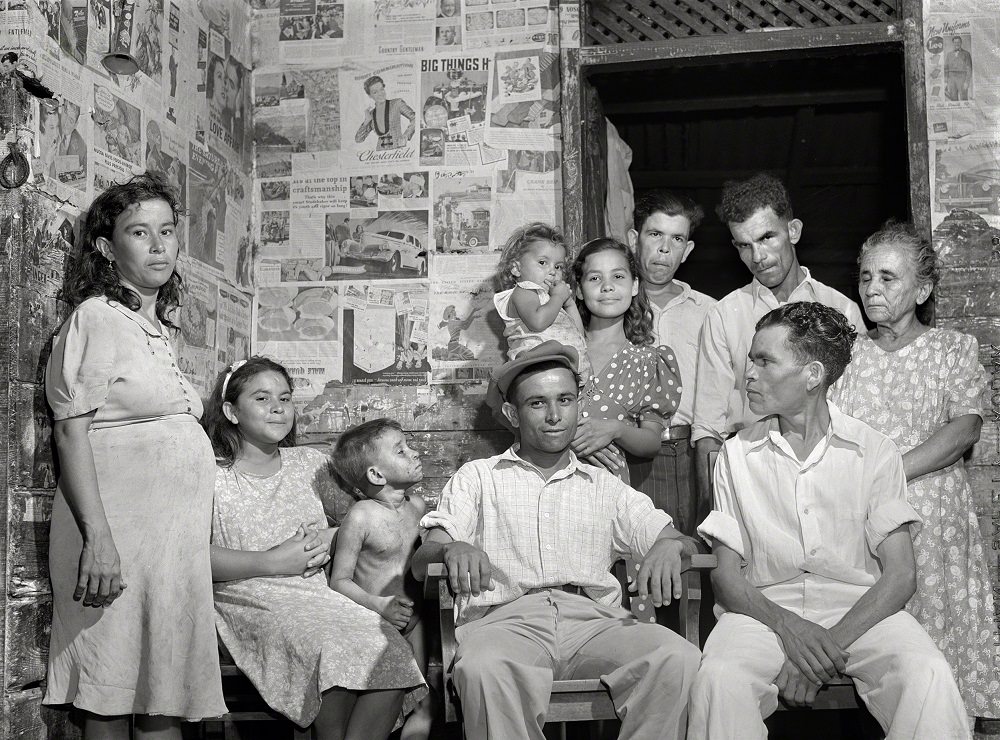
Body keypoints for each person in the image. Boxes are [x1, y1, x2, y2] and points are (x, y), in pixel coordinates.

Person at [689, 302, 969, 739]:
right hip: (762, 611)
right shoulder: (735, 454)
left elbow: (900, 576)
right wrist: (789, 626)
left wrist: (826, 650)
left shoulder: (874, 450)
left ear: (813, 375)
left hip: (860, 609)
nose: (748, 373)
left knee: (928, 673)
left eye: (765, 361)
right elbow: (727, 578)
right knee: (719, 678)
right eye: (751, 359)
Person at [412, 341, 702, 740]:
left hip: (595, 624)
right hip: (507, 623)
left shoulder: (606, 486)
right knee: (484, 668)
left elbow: (681, 541)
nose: (554, 416)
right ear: (513, 414)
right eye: (537, 403)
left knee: (676, 657)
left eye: (565, 400)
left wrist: (673, 545)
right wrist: (450, 547)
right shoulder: (478, 477)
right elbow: (422, 557)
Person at [43, 173, 226, 738]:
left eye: (166, 231)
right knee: (110, 694)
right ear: (106, 248)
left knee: (160, 698)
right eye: (139, 232)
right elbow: (71, 433)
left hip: (167, 550)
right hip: (113, 539)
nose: (158, 245)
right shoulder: (96, 318)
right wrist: (98, 539)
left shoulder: (152, 329)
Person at [830, 222, 1000, 722]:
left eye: (887, 278)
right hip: (866, 531)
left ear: (922, 290)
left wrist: (889, 472)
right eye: (865, 278)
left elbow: (964, 428)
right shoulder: (847, 356)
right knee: (880, 664)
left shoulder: (953, 348)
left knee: (942, 663)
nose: (872, 289)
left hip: (936, 528)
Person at [205, 358, 427, 740]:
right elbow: (190, 557)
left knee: (388, 649)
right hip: (248, 599)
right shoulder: (212, 474)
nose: (277, 407)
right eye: (261, 398)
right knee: (330, 647)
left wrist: (333, 535)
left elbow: (368, 515)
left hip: (319, 594)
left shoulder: (310, 465)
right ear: (231, 411)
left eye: (285, 398)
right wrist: (273, 562)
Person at [692, 172, 864, 516]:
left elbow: (857, 412)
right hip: (752, 480)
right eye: (744, 244)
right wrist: (716, 513)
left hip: (831, 479)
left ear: (793, 231)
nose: (757, 256)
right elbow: (708, 429)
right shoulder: (724, 314)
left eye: (767, 237)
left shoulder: (842, 310)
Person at [330, 419, 434, 740]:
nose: (414, 453)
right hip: (373, 619)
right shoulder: (361, 516)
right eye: (401, 450)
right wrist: (379, 605)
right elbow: (339, 581)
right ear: (377, 474)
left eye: (409, 445)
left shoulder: (417, 506)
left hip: (414, 618)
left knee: (423, 692)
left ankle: (420, 721)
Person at [627, 191, 715, 533]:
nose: (664, 248)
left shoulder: (710, 311)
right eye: (655, 235)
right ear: (635, 239)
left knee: (694, 557)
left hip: (692, 453)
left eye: (676, 238)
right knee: (636, 559)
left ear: (687, 249)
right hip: (628, 451)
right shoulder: (611, 304)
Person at [570, 237, 681, 483]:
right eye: (595, 278)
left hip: (607, 491)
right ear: (579, 289)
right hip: (548, 480)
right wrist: (565, 438)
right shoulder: (560, 348)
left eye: (618, 277)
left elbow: (651, 442)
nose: (607, 286)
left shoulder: (649, 361)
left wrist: (615, 430)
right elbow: (510, 409)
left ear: (634, 286)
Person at [492, 222, 590, 380]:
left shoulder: (551, 301)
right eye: (543, 263)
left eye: (558, 266)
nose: (552, 271)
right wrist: (558, 298)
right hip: (535, 375)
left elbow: (578, 334)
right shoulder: (524, 291)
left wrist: (569, 304)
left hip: (564, 375)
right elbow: (537, 322)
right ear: (516, 268)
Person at [355, 75, 416, 151]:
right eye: (375, 92)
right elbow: (358, 139)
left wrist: (406, 135)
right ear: (369, 95)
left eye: (381, 89)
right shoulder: (371, 114)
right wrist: (366, 121)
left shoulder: (397, 103)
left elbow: (415, 118)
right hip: (380, 155)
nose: (380, 93)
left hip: (398, 152)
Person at [944, 35, 973, 101]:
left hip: (962, 78)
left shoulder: (966, 54)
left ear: (961, 43)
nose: (957, 44)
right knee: (953, 98)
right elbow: (946, 68)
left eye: (958, 42)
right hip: (951, 79)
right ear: (953, 43)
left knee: (964, 98)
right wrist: (946, 81)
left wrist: (967, 82)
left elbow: (969, 69)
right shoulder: (949, 54)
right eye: (955, 42)